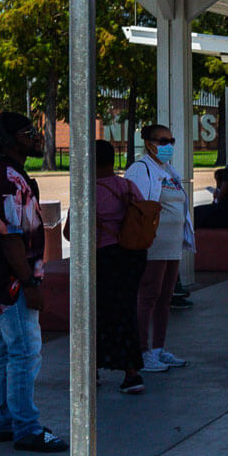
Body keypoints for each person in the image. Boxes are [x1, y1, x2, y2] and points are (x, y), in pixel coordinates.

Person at [0, 112, 65, 452]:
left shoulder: (11, 175)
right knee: (26, 352)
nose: (36, 136)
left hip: (8, 277)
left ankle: (5, 422)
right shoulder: (4, 180)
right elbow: (10, 237)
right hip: (9, 280)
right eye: (29, 133)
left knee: (8, 350)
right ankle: (26, 428)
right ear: (12, 140)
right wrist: (29, 284)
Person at [126, 123, 195, 374]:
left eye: (171, 140)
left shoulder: (169, 171)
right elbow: (138, 207)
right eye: (162, 141)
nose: (167, 146)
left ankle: (158, 348)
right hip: (152, 244)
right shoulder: (141, 169)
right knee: (148, 295)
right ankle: (142, 351)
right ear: (148, 143)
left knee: (165, 297)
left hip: (173, 244)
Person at [91, 139, 150, 394]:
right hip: (133, 255)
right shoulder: (127, 186)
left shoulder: (89, 191)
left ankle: (91, 369)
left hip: (104, 257)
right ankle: (131, 371)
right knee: (126, 309)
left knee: (96, 313)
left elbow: (71, 232)